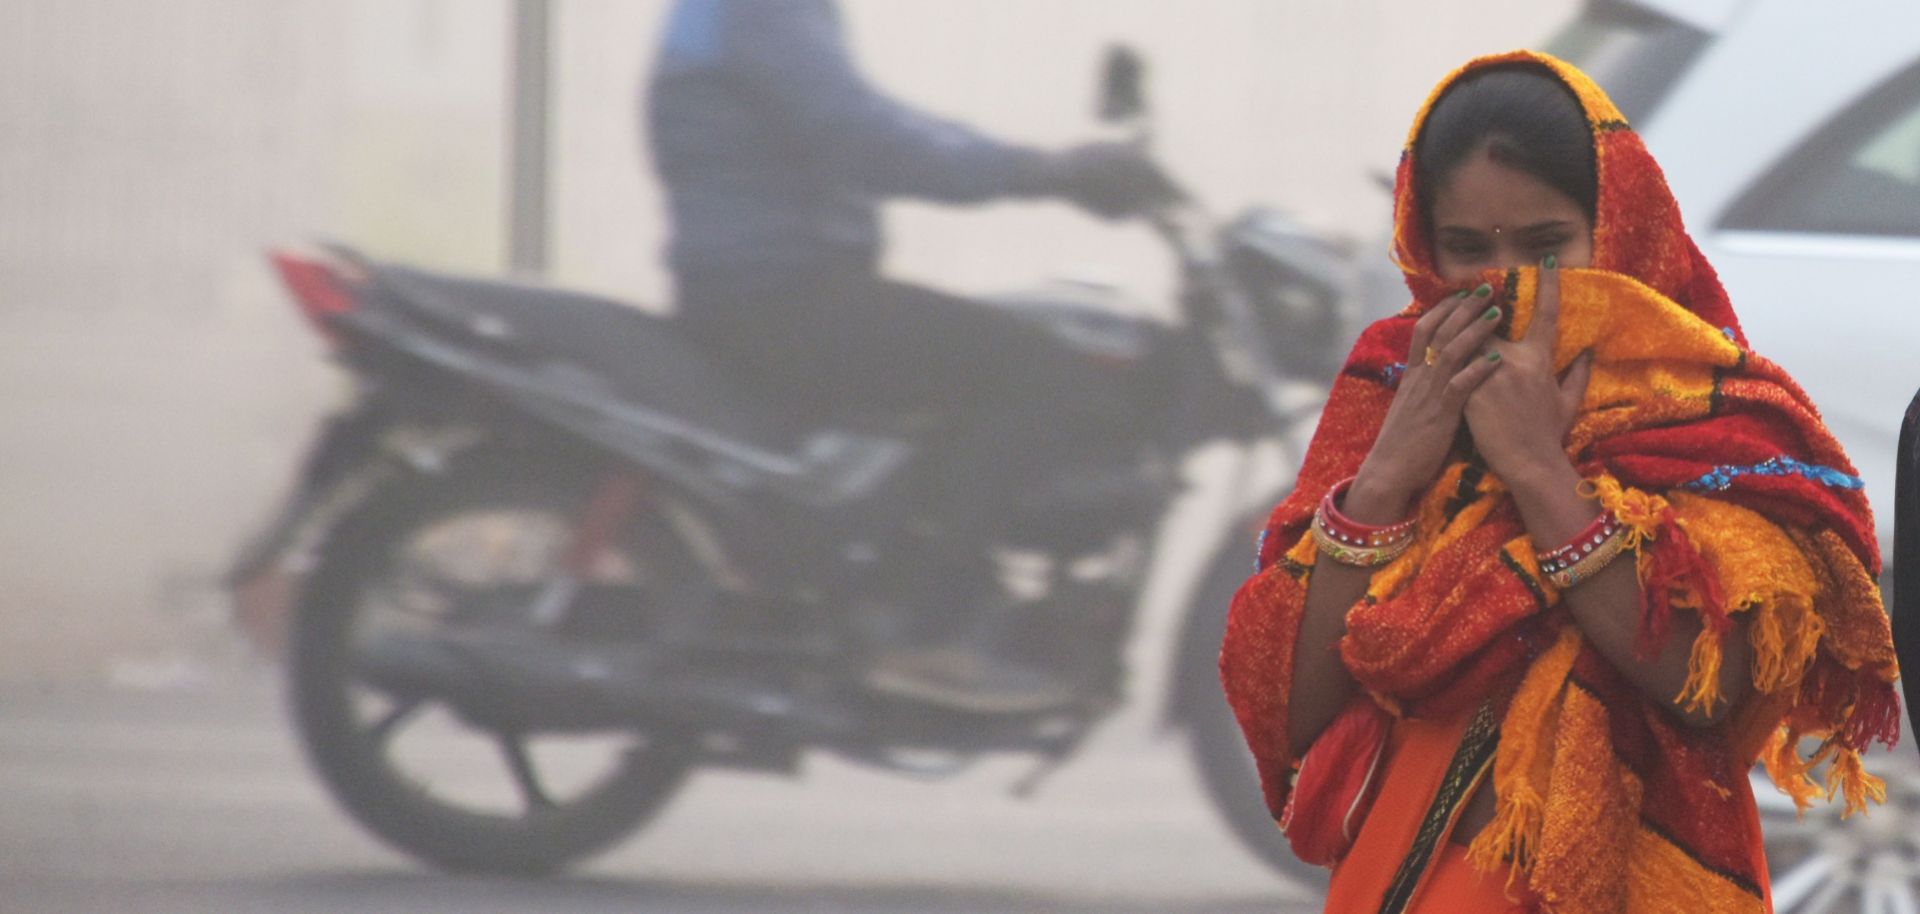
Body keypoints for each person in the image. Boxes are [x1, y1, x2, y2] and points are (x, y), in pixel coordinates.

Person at [1219, 50, 1901, 913]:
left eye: (1547, 247)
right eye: (1466, 249)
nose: (1506, 282)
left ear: (1619, 231)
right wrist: (1388, 480)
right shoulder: (1395, 388)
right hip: (1409, 880)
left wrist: (1539, 470)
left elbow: (1706, 683)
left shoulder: (1715, 415)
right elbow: (1287, 707)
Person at [645, 0, 1176, 713]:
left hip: (769, 287)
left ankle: (907, 583)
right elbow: (865, 137)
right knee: (1032, 369)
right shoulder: (761, 10)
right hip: (778, 296)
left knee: (980, 352)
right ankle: (925, 627)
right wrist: (1042, 172)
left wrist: (1045, 167)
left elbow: (877, 122)